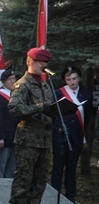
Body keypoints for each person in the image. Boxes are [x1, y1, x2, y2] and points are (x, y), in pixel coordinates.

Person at [8, 47, 54, 204]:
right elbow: (14, 108)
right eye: (43, 62)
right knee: (23, 180)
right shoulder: (22, 85)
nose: (45, 65)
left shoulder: (46, 85)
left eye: (47, 62)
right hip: (28, 139)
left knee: (39, 182)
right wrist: (40, 107)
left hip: (45, 139)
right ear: (32, 62)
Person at [51, 66, 92, 203]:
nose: (72, 82)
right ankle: (54, 193)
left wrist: (81, 132)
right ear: (65, 80)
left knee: (72, 166)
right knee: (58, 166)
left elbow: (88, 116)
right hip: (60, 135)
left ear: (79, 78)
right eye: (68, 79)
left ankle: (70, 196)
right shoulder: (58, 93)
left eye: (74, 78)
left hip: (77, 136)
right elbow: (53, 115)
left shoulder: (86, 95)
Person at [0, 69, 20, 178]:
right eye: (10, 79)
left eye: (14, 79)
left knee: (12, 165)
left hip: (15, 135)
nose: (12, 81)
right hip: (4, 136)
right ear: (3, 81)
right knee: (1, 163)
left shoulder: (16, 95)